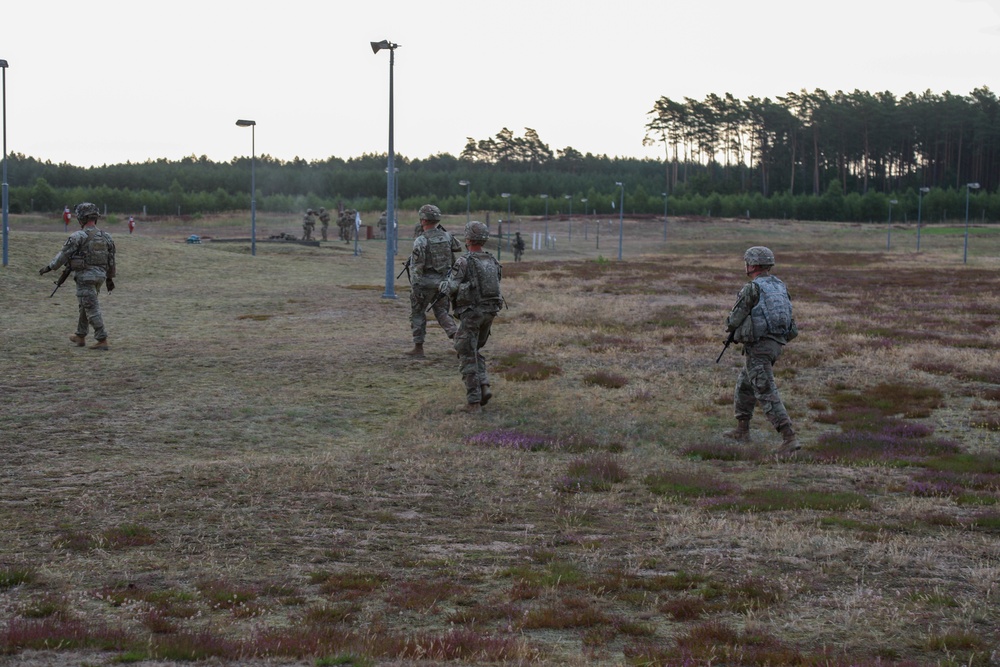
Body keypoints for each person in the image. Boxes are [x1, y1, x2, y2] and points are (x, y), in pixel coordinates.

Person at [723, 246, 800, 456]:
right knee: (746, 384)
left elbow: (735, 318)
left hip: (760, 346)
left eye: (747, 262)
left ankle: (789, 437)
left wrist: (730, 326)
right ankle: (742, 429)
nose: (746, 265)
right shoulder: (779, 285)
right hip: (776, 344)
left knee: (764, 389)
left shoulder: (752, 288)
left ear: (754, 265)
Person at [439, 221, 503, 413]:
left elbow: (450, 287)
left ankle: (473, 402)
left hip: (472, 314)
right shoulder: (492, 260)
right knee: (473, 349)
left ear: (467, 239)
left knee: (465, 352)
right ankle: (483, 385)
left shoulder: (464, 261)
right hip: (489, 312)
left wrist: (440, 285)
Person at [39, 202, 117, 351]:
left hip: (85, 277)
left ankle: (102, 339)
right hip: (99, 277)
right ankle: (80, 335)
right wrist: (109, 278)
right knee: (85, 305)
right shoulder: (107, 237)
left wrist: (49, 267)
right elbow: (111, 260)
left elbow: (63, 255)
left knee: (91, 307)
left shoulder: (78, 236)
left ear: (81, 218)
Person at [405, 204, 461, 357]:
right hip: (444, 284)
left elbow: (417, 267)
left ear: (423, 220)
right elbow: (458, 246)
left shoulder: (421, 240)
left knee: (417, 313)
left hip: (424, 284)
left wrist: (415, 286)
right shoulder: (447, 236)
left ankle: (418, 347)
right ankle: (459, 341)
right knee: (442, 313)